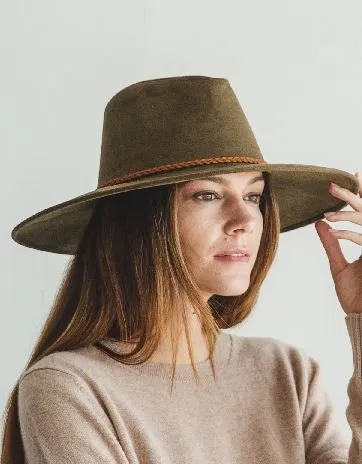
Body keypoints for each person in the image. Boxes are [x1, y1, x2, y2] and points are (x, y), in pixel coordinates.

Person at [2, 75, 362, 463]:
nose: (245, 219)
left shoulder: (288, 375)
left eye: (254, 195)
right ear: (138, 223)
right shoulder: (69, 389)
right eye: (208, 195)